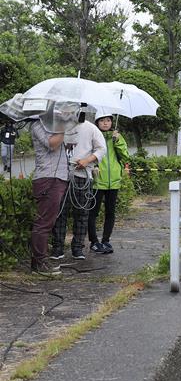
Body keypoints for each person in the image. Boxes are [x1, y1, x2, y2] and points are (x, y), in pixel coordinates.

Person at [50, 109, 106, 261]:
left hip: (82, 176)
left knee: (81, 213)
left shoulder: (90, 128)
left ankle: (77, 248)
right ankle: (57, 248)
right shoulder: (58, 127)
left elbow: (102, 148)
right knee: (59, 212)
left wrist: (87, 160)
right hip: (60, 176)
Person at [27, 117, 69, 276]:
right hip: (48, 178)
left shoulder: (52, 125)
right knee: (44, 222)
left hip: (57, 177)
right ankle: (39, 264)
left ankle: (39, 261)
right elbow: (52, 144)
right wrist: (64, 126)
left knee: (48, 221)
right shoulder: (37, 124)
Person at [88, 113, 129, 254]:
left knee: (110, 212)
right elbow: (88, 153)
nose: (106, 123)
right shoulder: (93, 135)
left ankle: (106, 241)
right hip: (97, 180)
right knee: (93, 212)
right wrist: (93, 166)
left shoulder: (117, 137)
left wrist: (117, 142)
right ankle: (94, 242)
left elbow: (125, 156)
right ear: (97, 122)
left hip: (114, 182)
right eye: (102, 121)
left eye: (108, 120)